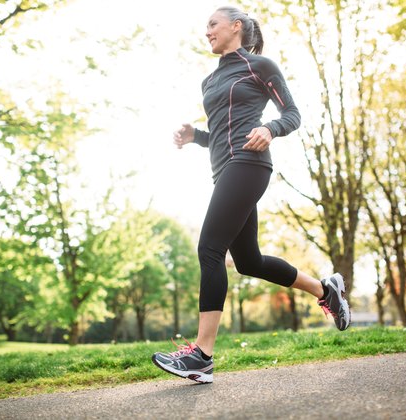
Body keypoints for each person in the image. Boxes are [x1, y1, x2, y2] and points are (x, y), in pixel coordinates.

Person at [151, 6, 351, 384]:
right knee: (248, 262)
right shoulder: (208, 81)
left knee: (210, 248)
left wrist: (271, 129)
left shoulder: (260, 65)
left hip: (250, 165)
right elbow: (224, 136)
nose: (206, 32)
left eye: (212, 24)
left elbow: (292, 113)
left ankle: (202, 356)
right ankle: (326, 289)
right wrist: (196, 137)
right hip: (224, 169)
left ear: (235, 26)